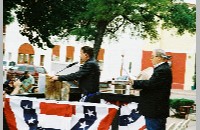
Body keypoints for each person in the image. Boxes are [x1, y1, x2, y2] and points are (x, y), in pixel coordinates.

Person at [129, 49, 172, 130]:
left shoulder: (162, 70)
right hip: (156, 109)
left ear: (159, 58)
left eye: (152, 57)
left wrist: (135, 83)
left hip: (155, 110)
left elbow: (151, 84)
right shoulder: (163, 68)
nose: (151, 59)